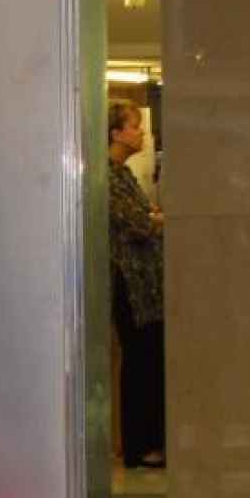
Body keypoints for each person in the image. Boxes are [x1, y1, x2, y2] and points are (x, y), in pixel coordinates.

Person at [108, 99, 166, 469]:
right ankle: (138, 445)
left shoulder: (125, 175)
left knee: (150, 359)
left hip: (146, 285)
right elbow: (140, 223)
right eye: (134, 125)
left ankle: (150, 441)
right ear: (115, 133)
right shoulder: (108, 177)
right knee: (140, 361)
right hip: (129, 285)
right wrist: (155, 219)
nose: (142, 132)